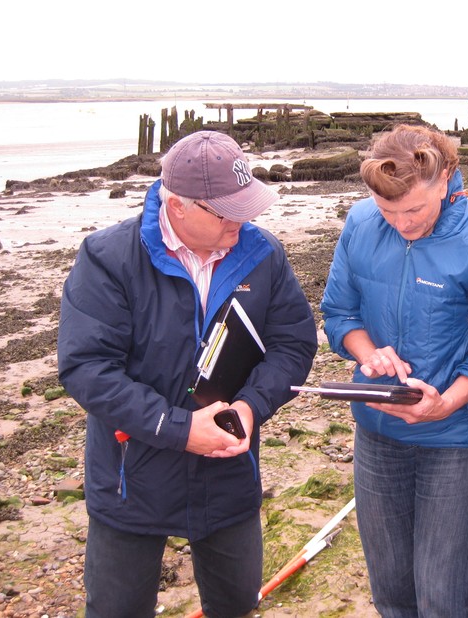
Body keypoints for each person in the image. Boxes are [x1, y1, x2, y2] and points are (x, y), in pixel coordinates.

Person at [57, 130, 317, 618]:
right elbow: (86, 367)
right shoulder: (108, 258)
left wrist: (250, 406)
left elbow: (293, 345)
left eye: (248, 205)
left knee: (236, 603)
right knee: (117, 609)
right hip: (130, 477)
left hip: (229, 470)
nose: (245, 219)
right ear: (177, 206)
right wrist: (177, 429)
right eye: (228, 211)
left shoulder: (262, 254)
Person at [320, 124, 468, 616]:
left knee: (444, 600)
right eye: (388, 211)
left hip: (456, 442)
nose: (402, 224)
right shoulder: (361, 223)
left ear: (448, 177)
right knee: (391, 593)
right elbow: (339, 314)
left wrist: (444, 404)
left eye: (414, 209)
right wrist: (368, 352)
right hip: (376, 433)